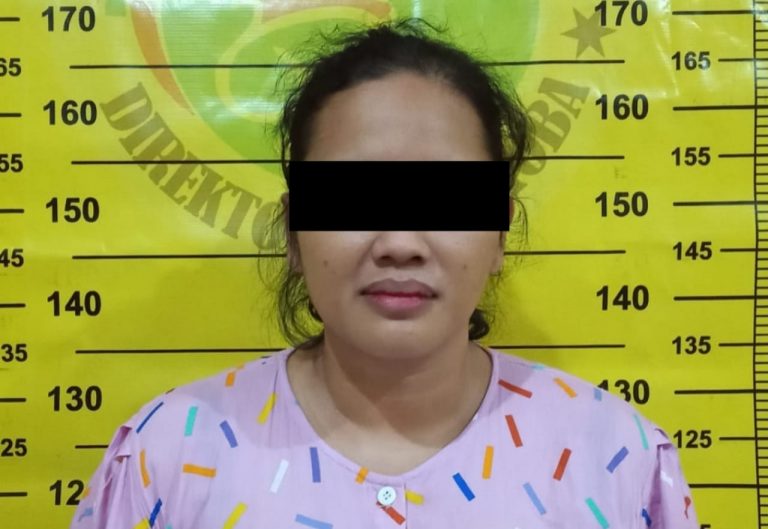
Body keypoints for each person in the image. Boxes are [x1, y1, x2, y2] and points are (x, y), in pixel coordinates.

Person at [70, 17, 699, 529]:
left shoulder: (616, 459)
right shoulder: (167, 457)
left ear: (500, 232)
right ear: (293, 232)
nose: (400, 243)